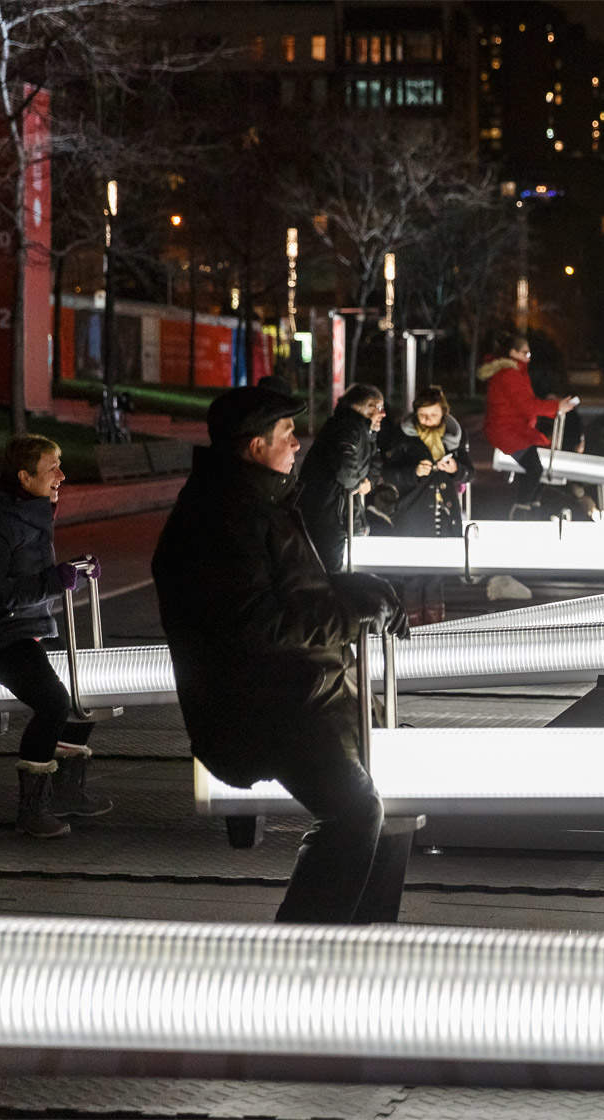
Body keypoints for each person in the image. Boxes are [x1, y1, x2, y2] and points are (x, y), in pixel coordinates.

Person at [152, 385, 411, 923]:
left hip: (306, 689)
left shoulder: (257, 501)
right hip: (269, 704)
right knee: (354, 814)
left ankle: (363, 947)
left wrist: (357, 588)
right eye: (287, 433)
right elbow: (255, 623)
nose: (298, 443)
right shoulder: (220, 520)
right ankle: (297, 963)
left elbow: (294, 589)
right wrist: (351, 615)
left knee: (391, 805)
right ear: (254, 446)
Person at [0, 435, 112, 838]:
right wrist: (51, 581)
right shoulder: (0, 522)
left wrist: (72, 569)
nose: (62, 474)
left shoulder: (32, 512)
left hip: (30, 626)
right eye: (52, 467)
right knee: (55, 702)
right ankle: (32, 810)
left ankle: (65, 791)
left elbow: (31, 576)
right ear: (24, 477)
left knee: (86, 690)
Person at [382, 385, 475, 625]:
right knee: (412, 576)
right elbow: (387, 473)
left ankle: (435, 630)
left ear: (443, 414)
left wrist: (456, 470)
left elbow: (468, 472)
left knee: (436, 576)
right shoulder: (402, 435)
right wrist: (413, 472)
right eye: (423, 416)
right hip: (412, 511)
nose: (428, 421)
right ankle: (412, 630)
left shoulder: (454, 435)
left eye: (433, 415)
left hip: (443, 513)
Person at [478, 334, 577, 513]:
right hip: (506, 431)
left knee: (538, 467)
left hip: (514, 429)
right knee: (535, 468)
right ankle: (522, 508)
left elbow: (526, 402)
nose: (528, 357)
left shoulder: (515, 372)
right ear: (513, 352)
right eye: (525, 353)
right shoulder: (510, 374)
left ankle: (531, 506)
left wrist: (554, 406)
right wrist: (556, 406)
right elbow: (527, 405)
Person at [298, 383, 384, 572]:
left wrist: (368, 479)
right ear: (360, 407)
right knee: (330, 570)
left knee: (335, 569)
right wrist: (360, 482)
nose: (383, 413)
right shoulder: (349, 428)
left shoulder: (362, 430)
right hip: (330, 513)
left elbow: (375, 460)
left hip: (336, 511)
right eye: (377, 407)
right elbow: (347, 473)